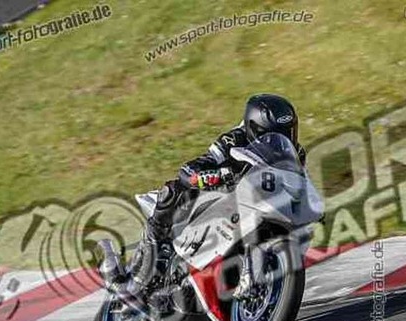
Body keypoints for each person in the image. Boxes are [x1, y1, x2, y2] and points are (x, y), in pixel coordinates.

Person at [120, 94, 306, 300]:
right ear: (255, 128)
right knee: (171, 191)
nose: (284, 138)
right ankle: (150, 254)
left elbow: (299, 185)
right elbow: (193, 168)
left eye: (288, 132)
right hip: (218, 196)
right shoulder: (234, 139)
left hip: (259, 204)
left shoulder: (295, 153)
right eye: (274, 134)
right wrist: (207, 176)